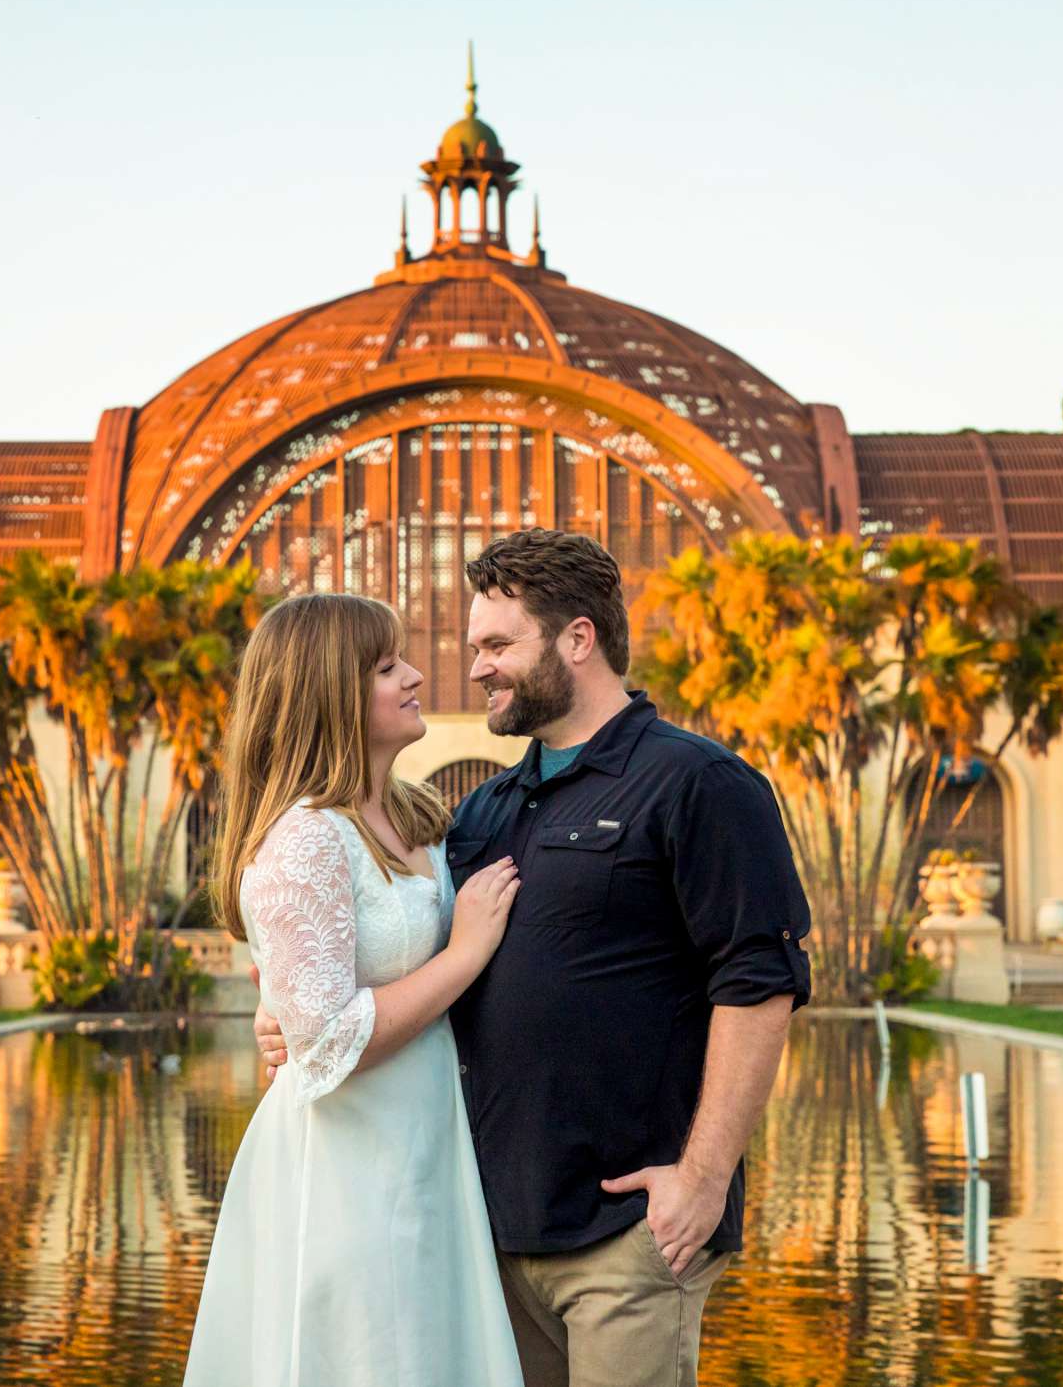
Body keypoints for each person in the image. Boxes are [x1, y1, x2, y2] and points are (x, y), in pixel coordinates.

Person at [256, 529, 813, 1387]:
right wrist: (287, 1010)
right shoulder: (481, 812)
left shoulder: (698, 783)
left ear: (577, 640)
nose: (475, 668)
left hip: (625, 1233)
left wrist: (702, 1179)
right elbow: (382, 951)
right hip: (482, 1236)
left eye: (496, 645)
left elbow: (758, 985)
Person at [181, 592, 527, 1387]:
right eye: (385, 666)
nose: (415, 675)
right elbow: (329, 1039)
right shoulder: (304, 837)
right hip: (349, 1172)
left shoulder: (416, 817)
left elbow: (319, 994)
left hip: (427, 1150)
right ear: (328, 691)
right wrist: (466, 952)